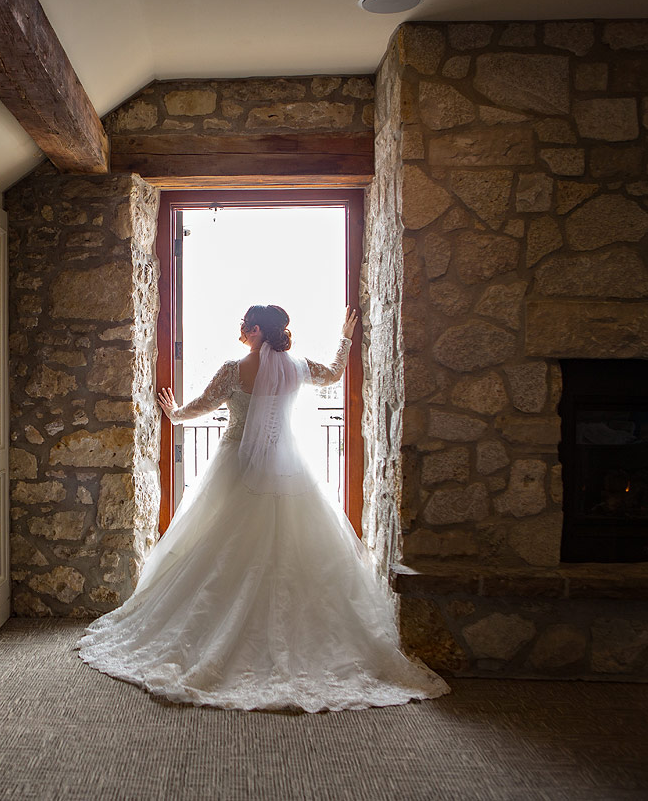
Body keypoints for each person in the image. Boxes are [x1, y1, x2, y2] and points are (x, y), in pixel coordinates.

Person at [73, 304, 451, 712]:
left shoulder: (234, 370)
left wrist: (176, 415)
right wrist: (344, 339)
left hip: (237, 466)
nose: (240, 332)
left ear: (254, 331)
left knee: (218, 546)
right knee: (294, 553)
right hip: (288, 468)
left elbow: (203, 404)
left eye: (243, 327)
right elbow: (336, 373)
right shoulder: (298, 367)